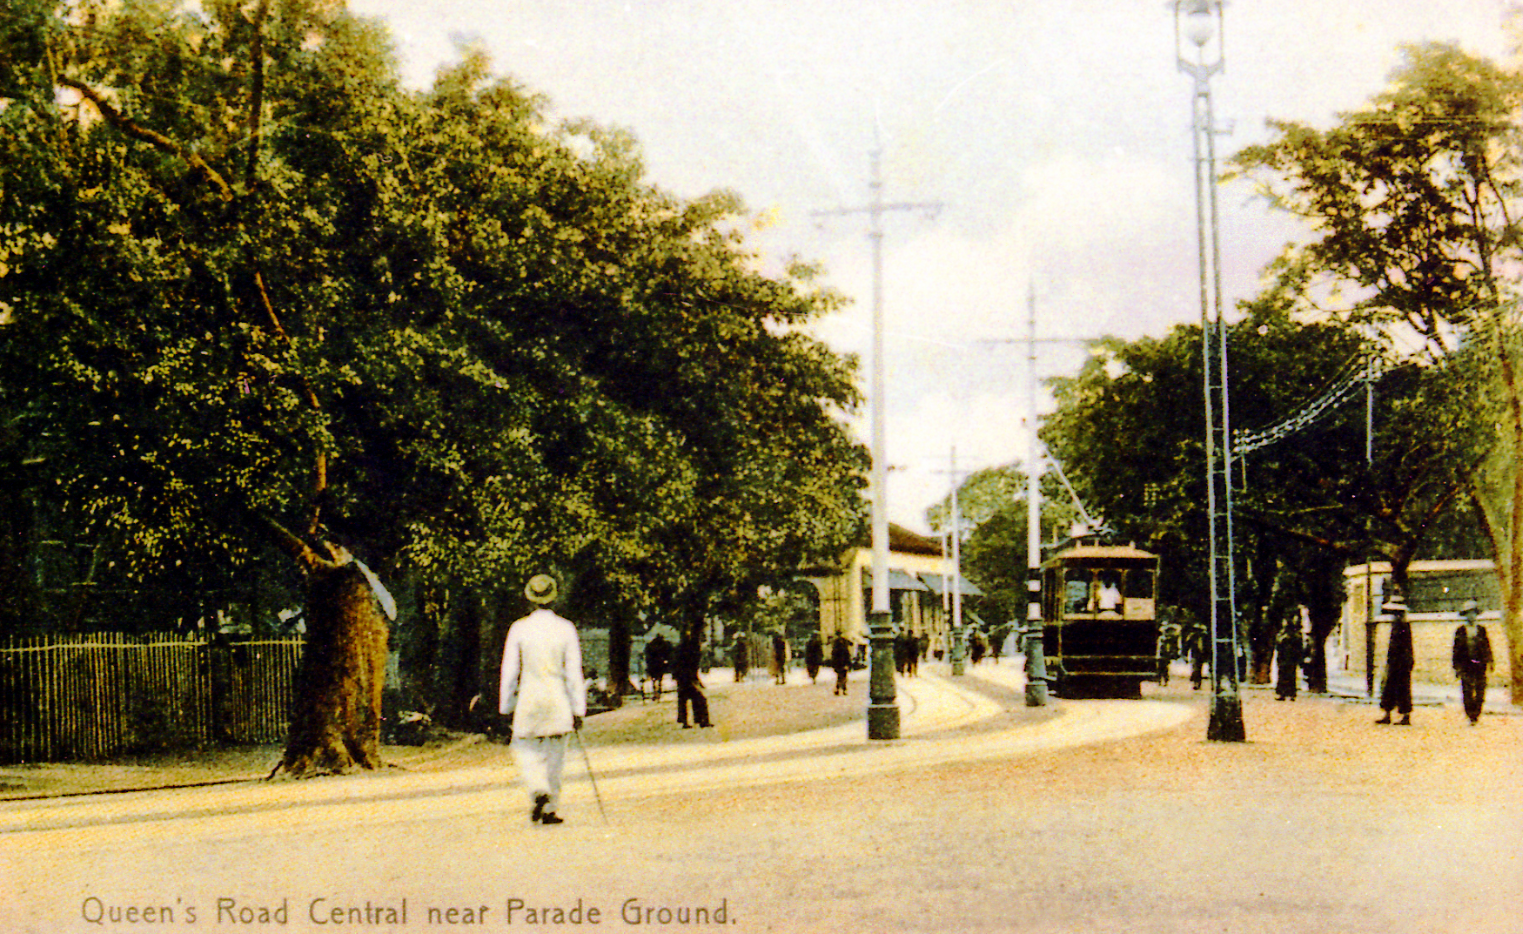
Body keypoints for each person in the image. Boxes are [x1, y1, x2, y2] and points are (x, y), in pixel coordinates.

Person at [499, 573, 586, 826]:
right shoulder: (566, 628)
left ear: (530, 599)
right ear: (554, 598)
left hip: (529, 697)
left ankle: (538, 788)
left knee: (524, 747)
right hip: (558, 699)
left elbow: (510, 670)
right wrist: (578, 708)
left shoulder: (519, 628)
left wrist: (506, 705)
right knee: (555, 757)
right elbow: (573, 672)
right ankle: (550, 807)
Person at [1452, 599, 1494, 725]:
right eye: (1468, 613)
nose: (1471, 616)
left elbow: (1487, 646)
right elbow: (1456, 650)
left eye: (1473, 613)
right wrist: (1456, 667)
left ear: (1476, 614)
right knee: (1467, 691)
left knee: (1480, 690)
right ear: (1465, 615)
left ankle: (1477, 713)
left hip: (1480, 664)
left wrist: (1491, 661)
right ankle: (1471, 715)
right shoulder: (1460, 631)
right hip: (1466, 665)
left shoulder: (1481, 630)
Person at [1376, 596, 1413, 725]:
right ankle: (1387, 714)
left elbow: (1408, 646)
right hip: (1394, 661)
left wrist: (1407, 662)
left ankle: (1405, 716)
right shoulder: (1396, 625)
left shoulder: (1404, 626)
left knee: (1402, 689)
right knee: (1389, 688)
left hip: (1401, 663)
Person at [673, 631, 712, 728]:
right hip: (687, 678)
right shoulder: (692, 650)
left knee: (683, 700)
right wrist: (695, 680)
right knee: (700, 698)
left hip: (682, 678)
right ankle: (702, 720)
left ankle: (685, 721)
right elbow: (691, 666)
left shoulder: (680, 649)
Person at [1274, 612, 1302, 701]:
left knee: (1289, 675)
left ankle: (1289, 693)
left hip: (1290, 658)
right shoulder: (1283, 634)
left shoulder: (1293, 635)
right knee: (1284, 675)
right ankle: (1283, 693)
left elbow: (1298, 647)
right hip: (1284, 658)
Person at [643, 632, 672, 700]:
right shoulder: (663, 645)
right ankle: (658, 690)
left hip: (652, 664)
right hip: (659, 663)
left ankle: (655, 690)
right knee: (659, 678)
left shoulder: (650, 645)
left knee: (654, 678)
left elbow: (647, 655)